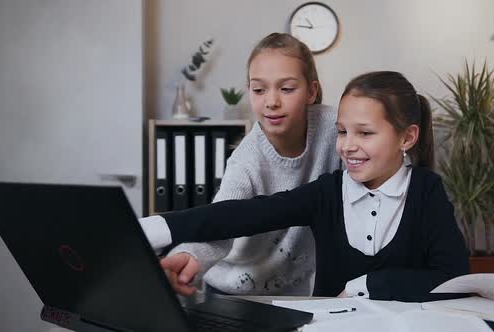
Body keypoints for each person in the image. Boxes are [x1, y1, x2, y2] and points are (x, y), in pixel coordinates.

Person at [142, 71, 469, 302]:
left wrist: (369, 284)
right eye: (342, 132)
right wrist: (150, 229)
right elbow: (242, 214)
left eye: (365, 133)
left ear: (407, 137)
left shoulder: (427, 190)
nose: (348, 146)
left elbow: (453, 277)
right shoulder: (328, 192)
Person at [140, 32, 341, 297]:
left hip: (296, 290)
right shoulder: (246, 161)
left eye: (287, 88)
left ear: (311, 91)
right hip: (231, 290)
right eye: (259, 89)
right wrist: (188, 254)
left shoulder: (336, 129)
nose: (271, 101)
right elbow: (221, 219)